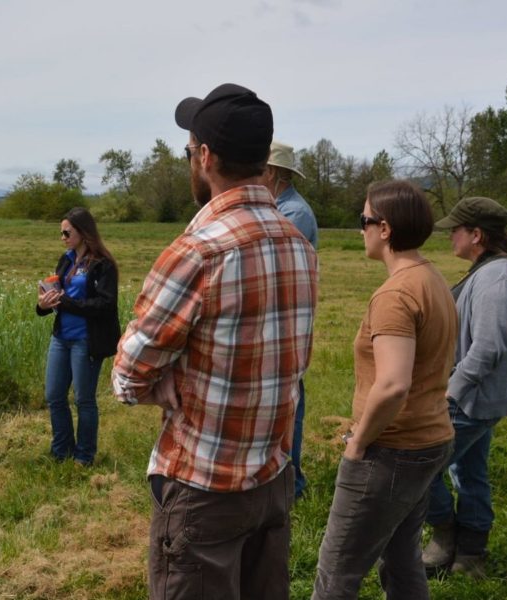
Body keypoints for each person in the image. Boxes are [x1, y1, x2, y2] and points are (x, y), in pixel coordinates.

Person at [112, 83, 318, 600]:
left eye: (189, 152)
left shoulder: (197, 252)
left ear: (205, 157)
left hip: (203, 488)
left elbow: (128, 374)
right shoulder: (299, 245)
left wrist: (160, 383)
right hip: (272, 479)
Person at [312, 180, 456, 600]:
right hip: (430, 440)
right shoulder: (432, 278)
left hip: (392, 450)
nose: (361, 230)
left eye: (364, 221)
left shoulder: (395, 294)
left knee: (335, 571)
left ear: (385, 229)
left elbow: (393, 384)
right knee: (401, 556)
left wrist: (358, 443)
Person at [421, 197, 507, 579]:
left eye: (456, 230)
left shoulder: (495, 280)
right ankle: (471, 552)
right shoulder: (488, 271)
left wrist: (451, 390)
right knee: (470, 470)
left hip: (471, 399)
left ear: (477, 235)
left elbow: (487, 348)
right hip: (477, 397)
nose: (451, 237)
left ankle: (444, 536)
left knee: (422, 466)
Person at [36, 207, 120, 467]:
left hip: (86, 340)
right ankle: (61, 451)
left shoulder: (103, 265)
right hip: (61, 337)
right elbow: (58, 297)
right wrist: (44, 303)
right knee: (54, 396)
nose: (62, 237)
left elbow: (106, 305)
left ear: (83, 233)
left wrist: (66, 302)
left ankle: (84, 456)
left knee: (83, 399)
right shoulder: (66, 259)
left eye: (66, 232)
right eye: (61, 233)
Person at [266, 140, 319, 500]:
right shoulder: (280, 208)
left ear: (271, 173)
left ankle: (291, 484)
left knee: (289, 402)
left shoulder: (293, 214)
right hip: (277, 324)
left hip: (286, 326)